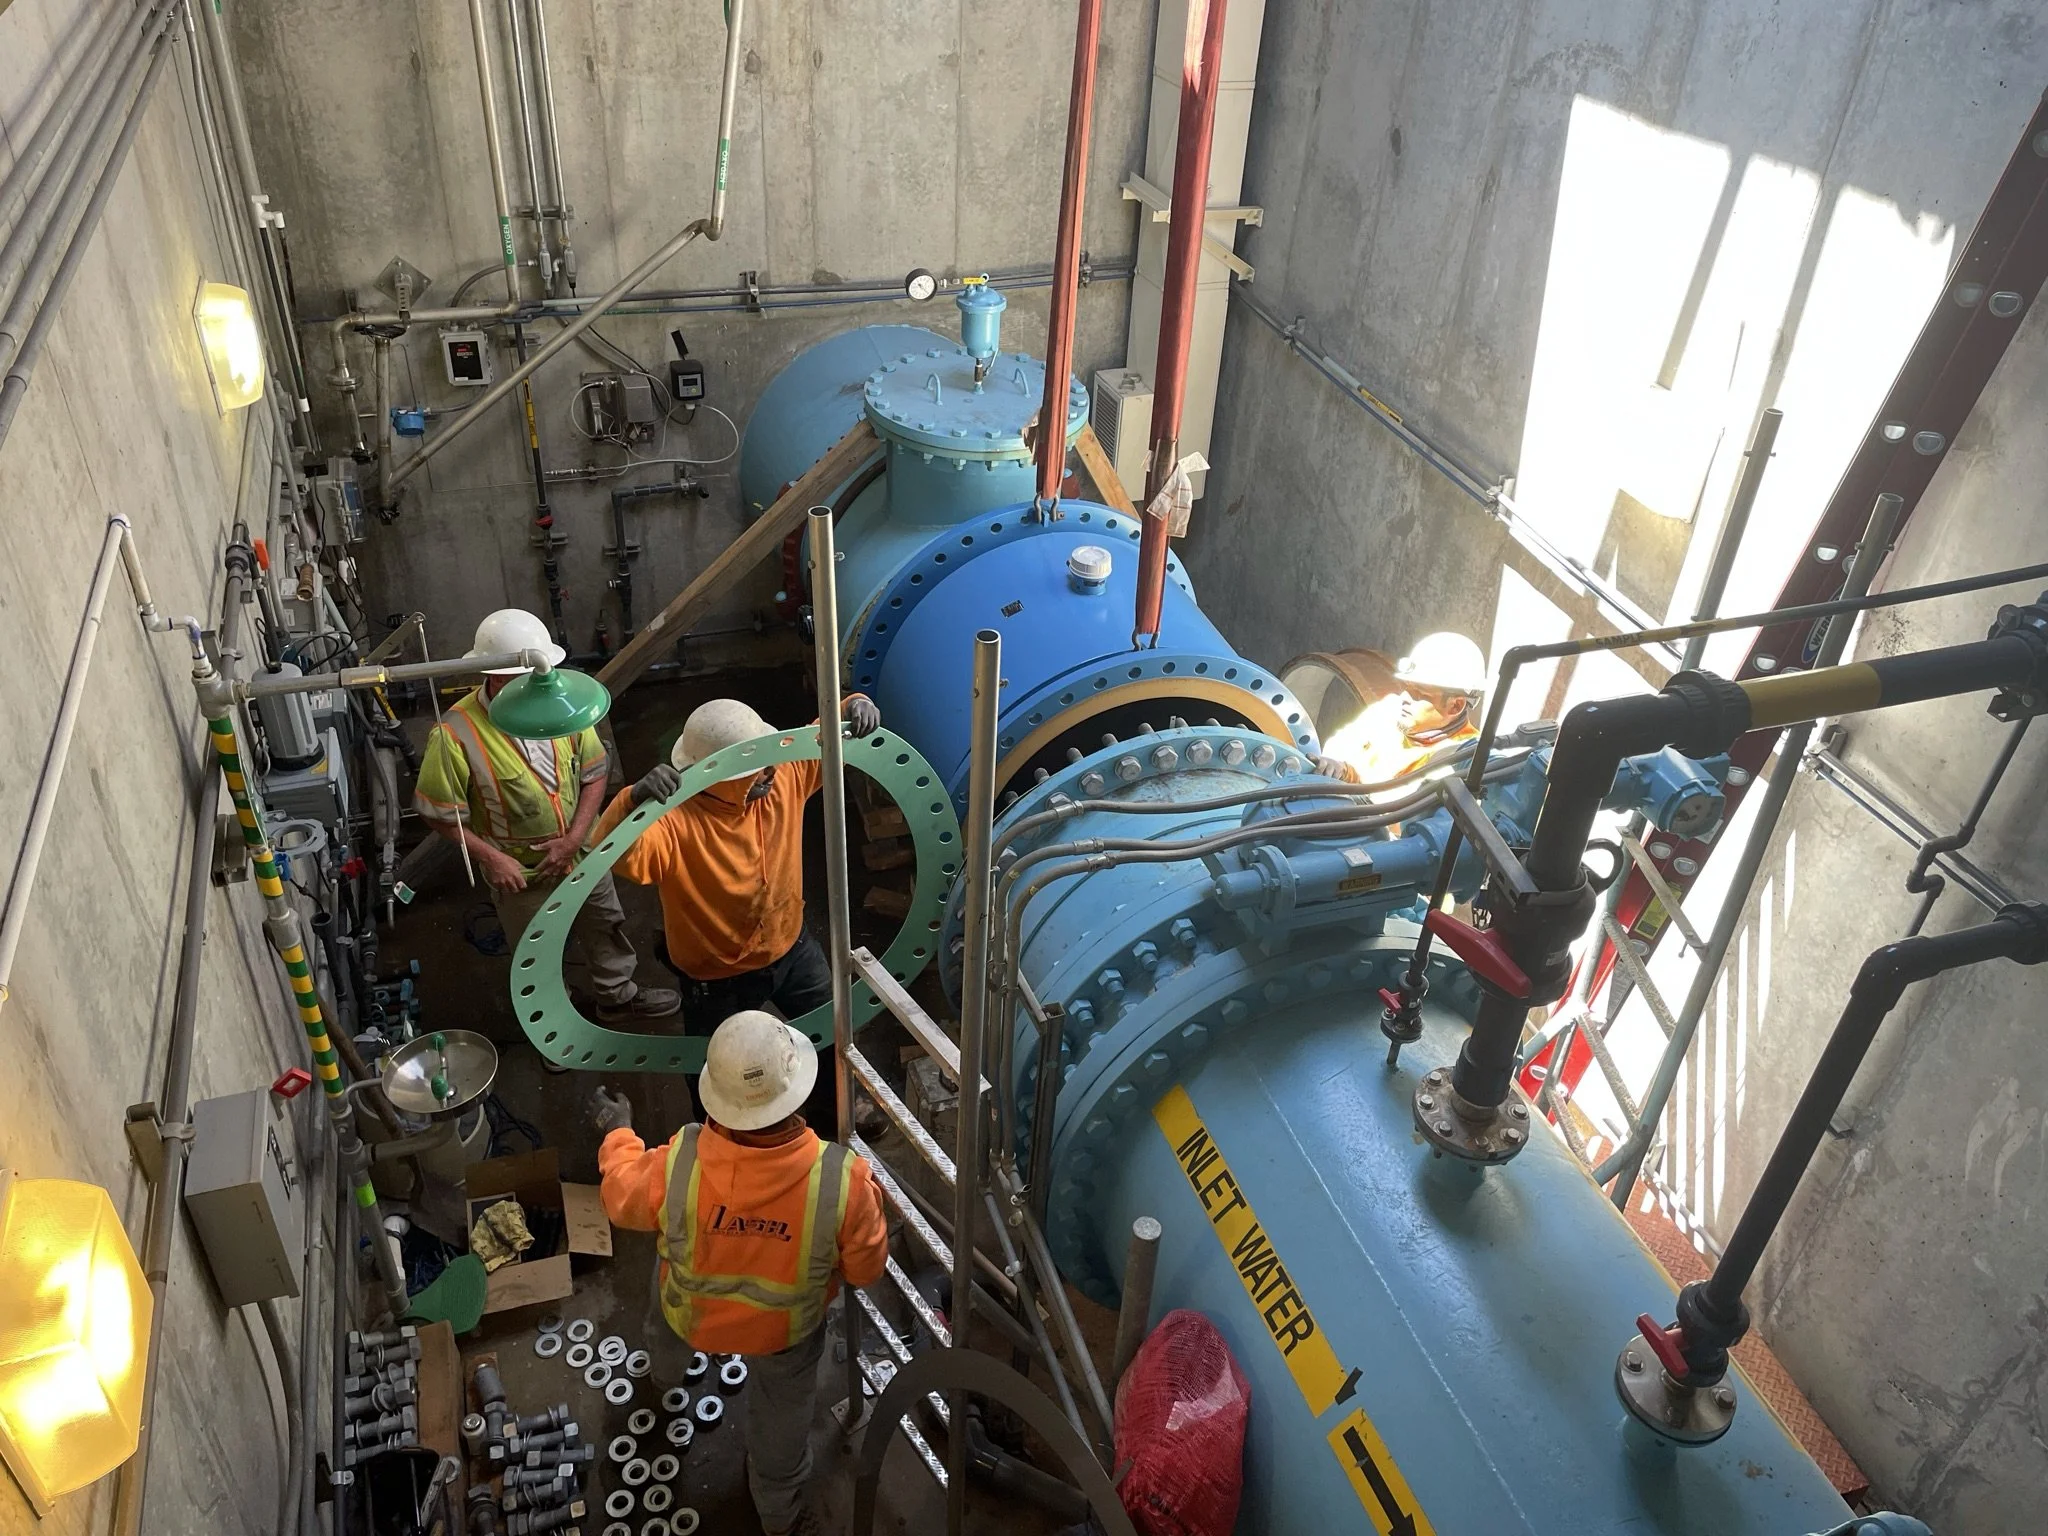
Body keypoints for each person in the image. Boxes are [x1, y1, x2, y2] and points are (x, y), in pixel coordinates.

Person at [592, 1012, 887, 1536]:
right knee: (780, 1425)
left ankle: (662, 1382)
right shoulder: (843, 1182)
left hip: (693, 1315)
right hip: (785, 1336)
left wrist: (618, 1133)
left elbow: (620, 1198)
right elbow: (866, 1270)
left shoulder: (678, 1162)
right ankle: (779, 1517)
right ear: (795, 1091)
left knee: (668, 1276)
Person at [413, 608, 678, 1027]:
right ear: (497, 679)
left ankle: (617, 996)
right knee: (535, 954)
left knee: (605, 924)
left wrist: (574, 839)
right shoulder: (455, 735)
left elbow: (594, 772)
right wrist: (493, 859)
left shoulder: (559, 702)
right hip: (521, 870)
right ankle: (553, 1024)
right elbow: (438, 814)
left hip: (582, 852)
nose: (543, 684)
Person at [592, 694, 881, 1038]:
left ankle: (836, 1091)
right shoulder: (673, 823)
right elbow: (611, 851)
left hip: (790, 946)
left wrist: (853, 707)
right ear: (715, 773)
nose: (769, 770)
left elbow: (822, 736)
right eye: (753, 768)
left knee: (836, 1031)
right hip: (715, 977)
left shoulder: (781, 777)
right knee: (719, 1071)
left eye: (767, 757)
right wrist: (630, 803)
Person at [1314, 630, 1487, 789]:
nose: (1404, 698)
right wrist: (1337, 766)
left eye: (1419, 694)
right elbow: (1341, 743)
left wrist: (1349, 775)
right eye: (1406, 687)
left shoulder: (1462, 759)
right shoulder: (1390, 709)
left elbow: (1393, 808)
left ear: (1455, 706)